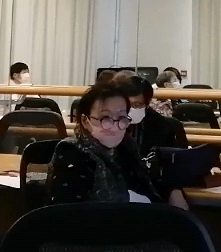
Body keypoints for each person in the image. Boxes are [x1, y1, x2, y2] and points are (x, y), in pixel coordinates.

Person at [48, 83, 188, 209]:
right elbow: (69, 215)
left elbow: (146, 183)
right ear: (85, 121)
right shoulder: (71, 153)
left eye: (121, 118)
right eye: (105, 118)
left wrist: (172, 189)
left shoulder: (126, 147)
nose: (114, 127)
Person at [116, 73, 188, 158]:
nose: (131, 108)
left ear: (148, 102)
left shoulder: (164, 127)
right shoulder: (114, 123)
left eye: (137, 104)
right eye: (127, 104)